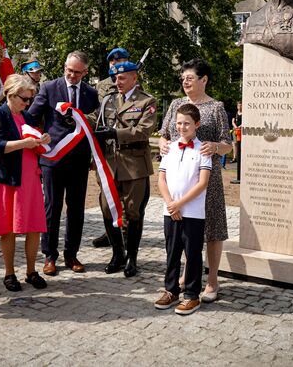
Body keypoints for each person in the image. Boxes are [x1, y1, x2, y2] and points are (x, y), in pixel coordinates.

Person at [159, 58, 231, 303]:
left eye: (190, 78)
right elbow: (163, 135)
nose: (185, 82)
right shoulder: (176, 104)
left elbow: (228, 146)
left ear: (204, 80)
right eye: (183, 78)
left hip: (206, 180)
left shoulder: (216, 107)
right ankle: (188, 275)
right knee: (185, 230)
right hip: (180, 176)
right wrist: (163, 144)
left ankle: (212, 279)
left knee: (211, 229)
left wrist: (215, 146)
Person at [28, 50, 100, 275]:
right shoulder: (49, 88)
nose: (72, 75)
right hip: (53, 158)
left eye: (77, 73)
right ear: (64, 67)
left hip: (79, 160)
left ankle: (72, 254)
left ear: (85, 72)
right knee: (52, 207)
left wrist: (95, 157)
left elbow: (95, 125)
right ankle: (49, 255)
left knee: (76, 209)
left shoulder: (90, 93)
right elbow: (31, 116)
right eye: (69, 70)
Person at [92, 60, 157, 277]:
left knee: (133, 211)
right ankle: (117, 254)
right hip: (111, 165)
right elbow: (96, 118)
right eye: (115, 78)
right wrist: (75, 117)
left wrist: (114, 134)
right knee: (107, 208)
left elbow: (143, 130)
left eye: (122, 78)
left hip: (135, 165)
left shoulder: (147, 101)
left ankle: (132, 257)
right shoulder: (108, 100)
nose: (117, 82)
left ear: (134, 78)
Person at [0, 74, 51, 292]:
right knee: (9, 229)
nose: (27, 103)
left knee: (34, 227)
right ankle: (9, 273)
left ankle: (31, 271)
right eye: (23, 99)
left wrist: (42, 140)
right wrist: (23, 143)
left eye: (29, 99)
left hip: (31, 178)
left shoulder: (26, 116)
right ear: (9, 94)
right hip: (11, 180)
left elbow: (32, 141)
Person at [155, 104, 211, 315]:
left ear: (196, 124)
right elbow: (161, 179)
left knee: (193, 253)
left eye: (187, 123)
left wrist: (180, 204)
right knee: (172, 252)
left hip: (193, 212)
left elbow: (202, 183)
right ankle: (171, 291)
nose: (182, 127)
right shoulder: (169, 148)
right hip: (170, 211)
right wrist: (171, 204)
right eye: (178, 123)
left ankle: (192, 295)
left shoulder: (202, 149)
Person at [91, 46, 130, 249]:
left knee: (124, 193)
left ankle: (124, 233)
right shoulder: (101, 87)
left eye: (120, 60)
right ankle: (110, 232)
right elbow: (95, 115)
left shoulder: (133, 82)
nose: (116, 64)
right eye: (113, 62)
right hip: (104, 150)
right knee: (105, 190)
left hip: (125, 149)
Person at [231, 101, 242, 184]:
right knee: (234, 144)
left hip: (241, 131)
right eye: (238, 105)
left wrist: (240, 127)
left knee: (240, 146)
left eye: (241, 105)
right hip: (236, 131)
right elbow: (233, 121)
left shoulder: (244, 113)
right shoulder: (236, 113)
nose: (239, 107)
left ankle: (239, 157)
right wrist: (235, 127)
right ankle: (235, 157)